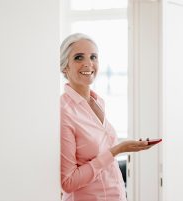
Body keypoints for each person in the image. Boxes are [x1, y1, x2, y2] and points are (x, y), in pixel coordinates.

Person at [60, 33, 154, 201]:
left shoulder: (98, 102)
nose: (88, 63)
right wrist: (117, 150)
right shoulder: (64, 112)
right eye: (79, 57)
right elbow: (68, 182)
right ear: (64, 67)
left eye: (93, 57)